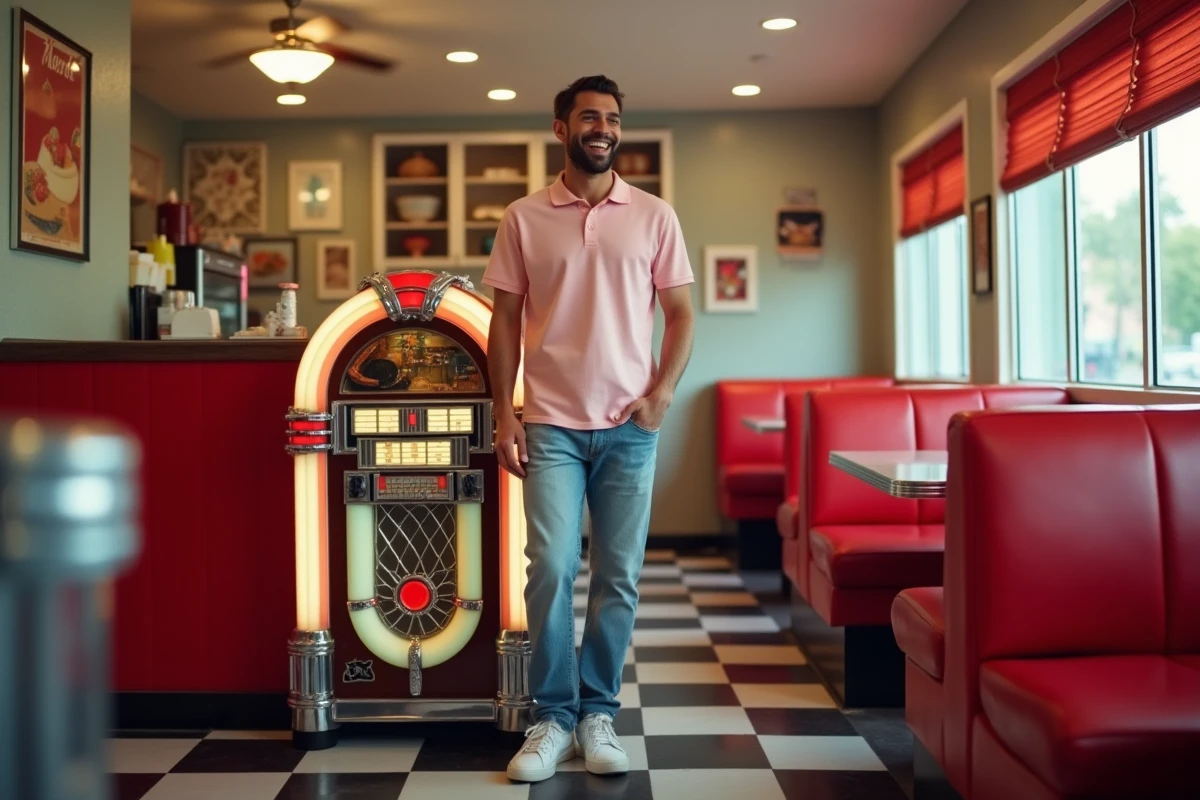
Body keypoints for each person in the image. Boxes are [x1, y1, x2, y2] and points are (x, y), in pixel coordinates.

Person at [482, 75, 695, 783]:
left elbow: (682, 314)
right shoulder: (523, 217)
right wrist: (503, 410)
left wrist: (663, 393)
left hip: (631, 426)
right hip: (549, 424)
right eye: (589, 117)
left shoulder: (655, 215)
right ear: (561, 128)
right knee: (550, 567)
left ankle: (597, 712)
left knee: (619, 575)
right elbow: (504, 320)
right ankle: (552, 716)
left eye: (612, 119)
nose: (602, 128)